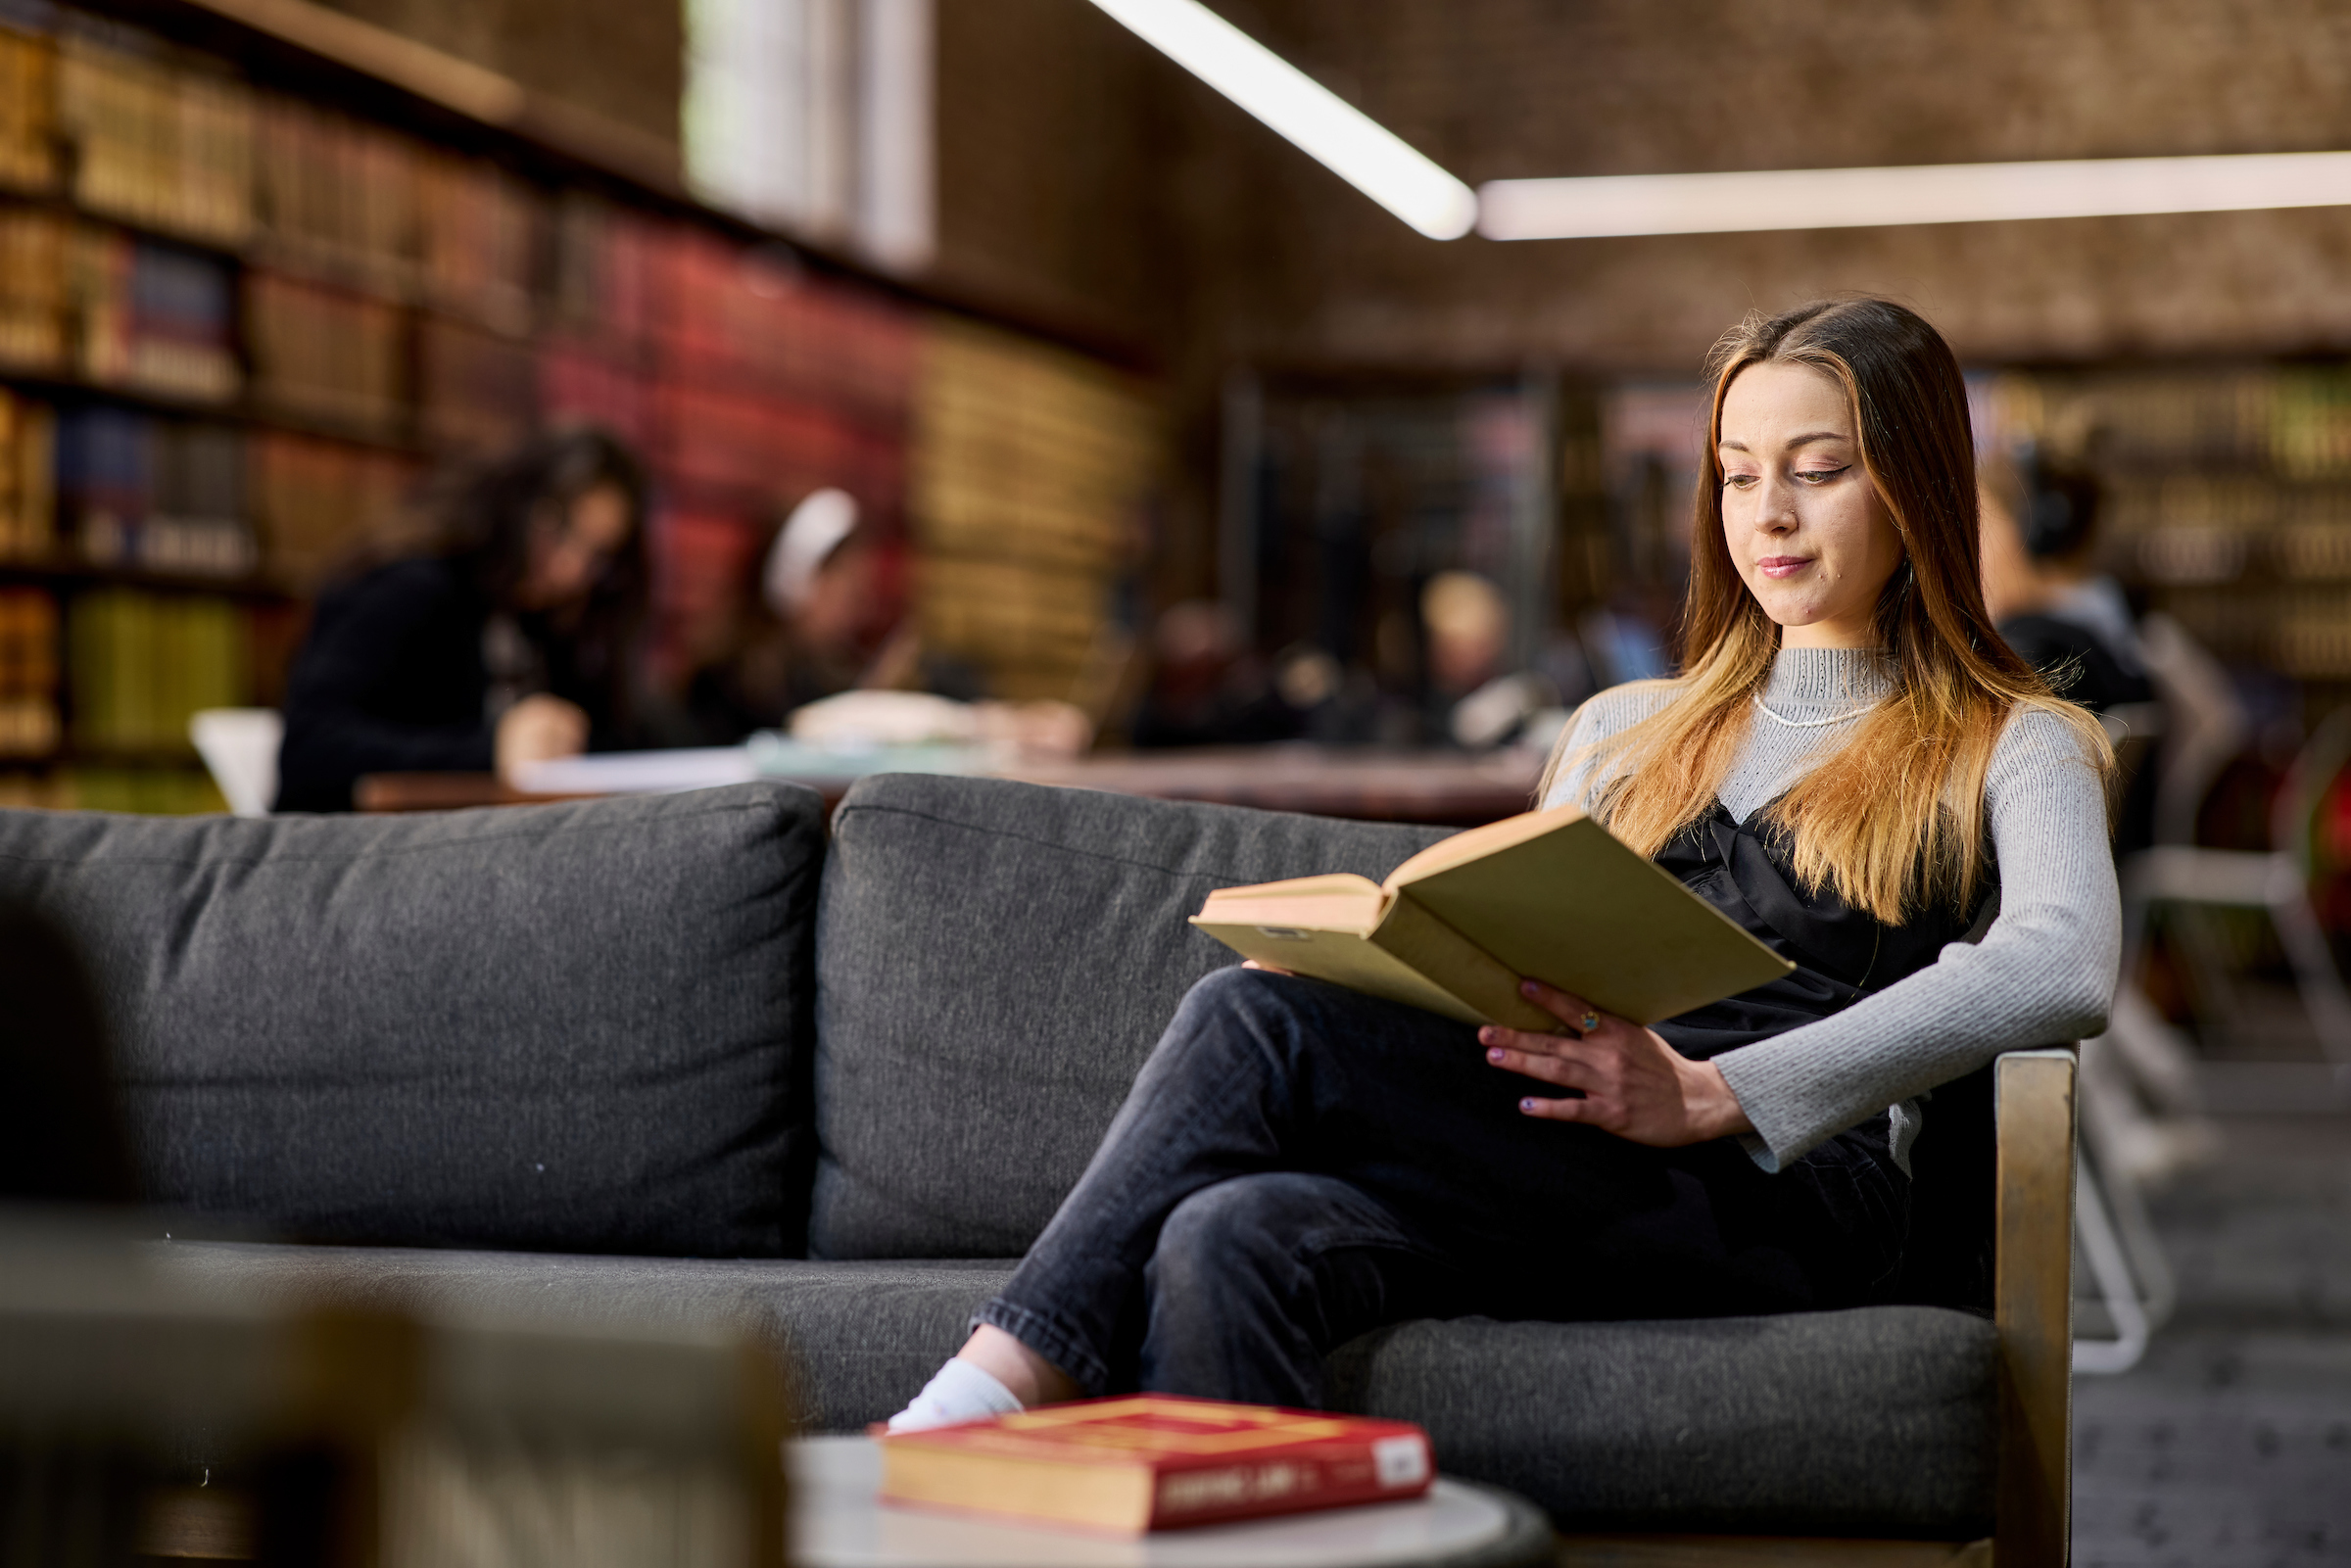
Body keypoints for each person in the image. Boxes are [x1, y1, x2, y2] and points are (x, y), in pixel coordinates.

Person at [888, 297, 2120, 1429]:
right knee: (1228, 1230)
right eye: (1739, 477)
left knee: (1250, 1020)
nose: (1770, 516)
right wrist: (1364, 982)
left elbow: (2063, 963)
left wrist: (1716, 1091)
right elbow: (1513, 964)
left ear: (1912, 484)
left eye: (1819, 472)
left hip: (1791, 1189)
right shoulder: (1623, 726)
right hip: (1573, 1149)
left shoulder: (2016, 739)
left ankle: (971, 1402)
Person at [274, 430, 649, 812]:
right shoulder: (411, 588)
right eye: (560, 528)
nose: (572, 570)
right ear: (517, 502)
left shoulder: (546, 623)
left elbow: (614, 738)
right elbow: (309, 751)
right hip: (362, 855)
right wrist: (490, 752)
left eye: (598, 555)